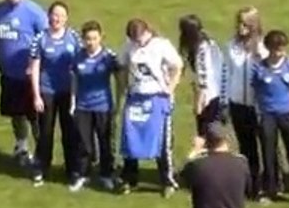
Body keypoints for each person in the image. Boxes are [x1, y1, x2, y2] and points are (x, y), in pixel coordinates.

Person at [117, 18, 183, 198]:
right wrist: (124, 89)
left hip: (157, 97)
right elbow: (121, 65)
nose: (137, 43)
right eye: (134, 39)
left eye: (139, 39)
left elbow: (177, 66)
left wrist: (169, 90)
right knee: (130, 139)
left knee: (162, 140)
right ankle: (129, 179)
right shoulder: (128, 46)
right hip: (136, 98)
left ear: (146, 32)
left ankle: (167, 180)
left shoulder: (161, 45)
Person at [0, 0, 48, 167]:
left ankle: (42, 151)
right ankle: (22, 146)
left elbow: (46, 40)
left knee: (35, 116)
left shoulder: (34, 12)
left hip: (30, 76)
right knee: (16, 113)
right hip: (8, 74)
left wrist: (37, 67)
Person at [28, 2, 80, 187]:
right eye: (54, 15)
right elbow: (34, 68)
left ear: (66, 18)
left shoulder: (73, 37)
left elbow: (80, 64)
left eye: (61, 15)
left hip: (67, 92)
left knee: (70, 132)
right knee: (45, 131)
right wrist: (36, 96)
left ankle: (73, 170)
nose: (56, 18)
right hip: (47, 91)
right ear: (48, 16)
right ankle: (41, 167)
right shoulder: (40, 38)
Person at [251, 29, 289, 204]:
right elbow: (256, 91)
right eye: (276, 49)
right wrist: (260, 110)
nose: (280, 52)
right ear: (269, 48)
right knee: (268, 154)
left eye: (282, 48)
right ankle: (270, 190)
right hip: (268, 116)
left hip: (287, 115)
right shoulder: (260, 67)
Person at [71, 20, 120, 192]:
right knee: (84, 144)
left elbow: (119, 78)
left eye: (94, 38)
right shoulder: (78, 56)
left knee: (105, 142)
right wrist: (73, 102)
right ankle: (83, 175)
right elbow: (75, 79)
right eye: (88, 39)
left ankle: (106, 175)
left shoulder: (109, 57)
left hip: (103, 106)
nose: (91, 42)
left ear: (101, 37)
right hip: (83, 107)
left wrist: (117, 101)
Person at [223, 7, 265, 197]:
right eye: (238, 22)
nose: (240, 27)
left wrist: (257, 52)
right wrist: (225, 101)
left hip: (259, 106)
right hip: (237, 103)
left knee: (265, 146)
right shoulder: (231, 46)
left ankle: (272, 183)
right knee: (246, 146)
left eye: (244, 23)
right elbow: (226, 73)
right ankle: (251, 185)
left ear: (253, 25)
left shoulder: (263, 47)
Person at [177, 14, 226, 160]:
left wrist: (199, 101)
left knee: (205, 132)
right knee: (210, 130)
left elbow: (204, 77)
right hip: (216, 93)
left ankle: (206, 162)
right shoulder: (208, 42)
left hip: (209, 96)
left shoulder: (202, 48)